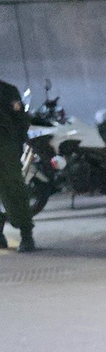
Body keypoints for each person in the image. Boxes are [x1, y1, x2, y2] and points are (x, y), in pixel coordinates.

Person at [0, 75, 34, 252]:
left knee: (14, 189)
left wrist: (17, 144)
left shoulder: (7, 91)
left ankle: (26, 234)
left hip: (5, 147)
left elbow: (21, 119)